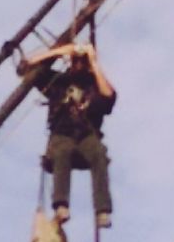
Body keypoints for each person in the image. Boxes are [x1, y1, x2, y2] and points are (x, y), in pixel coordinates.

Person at [17, 41, 116, 228]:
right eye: (76, 60)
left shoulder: (94, 85)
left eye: (82, 61)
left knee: (98, 153)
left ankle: (102, 210)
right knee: (62, 151)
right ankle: (61, 205)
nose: (79, 64)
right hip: (62, 133)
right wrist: (60, 51)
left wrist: (94, 62)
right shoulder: (59, 82)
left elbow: (108, 96)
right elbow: (27, 67)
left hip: (86, 135)